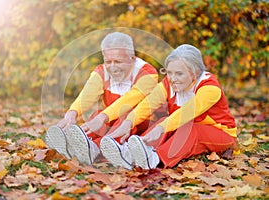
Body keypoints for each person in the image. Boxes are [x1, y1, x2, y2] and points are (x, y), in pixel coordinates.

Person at [100, 44, 237, 169]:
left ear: (194, 72)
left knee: (188, 128)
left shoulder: (210, 88)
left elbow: (186, 113)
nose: (172, 78)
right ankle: (130, 154)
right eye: (169, 72)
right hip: (184, 127)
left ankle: (156, 158)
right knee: (162, 122)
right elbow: (148, 104)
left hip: (221, 135)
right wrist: (129, 122)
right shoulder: (168, 84)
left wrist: (161, 129)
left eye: (179, 73)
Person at [45, 32, 159, 168]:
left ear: (132, 59)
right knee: (97, 113)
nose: (112, 67)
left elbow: (129, 100)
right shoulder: (101, 71)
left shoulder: (148, 73)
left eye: (118, 61)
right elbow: (87, 94)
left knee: (121, 114)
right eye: (108, 62)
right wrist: (72, 113)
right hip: (112, 119)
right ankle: (77, 144)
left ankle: (95, 148)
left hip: (139, 124)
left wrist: (101, 118)